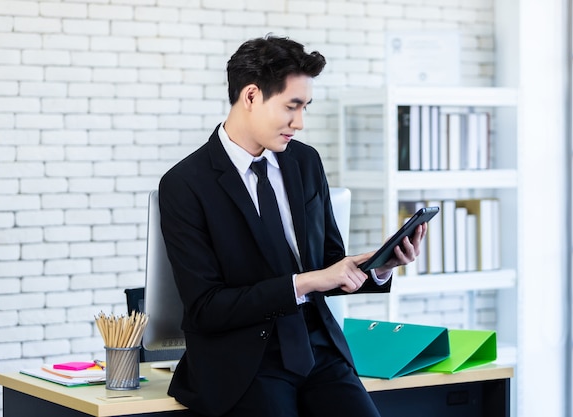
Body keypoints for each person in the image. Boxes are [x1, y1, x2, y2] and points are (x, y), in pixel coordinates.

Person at [158, 35, 427, 417]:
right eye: (292, 106)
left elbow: (329, 262)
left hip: (319, 351)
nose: (299, 123)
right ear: (251, 96)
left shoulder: (304, 162)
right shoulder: (186, 184)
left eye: (305, 107)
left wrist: (378, 267)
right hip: (246, 365)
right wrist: (306, 282)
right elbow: (205, 307)